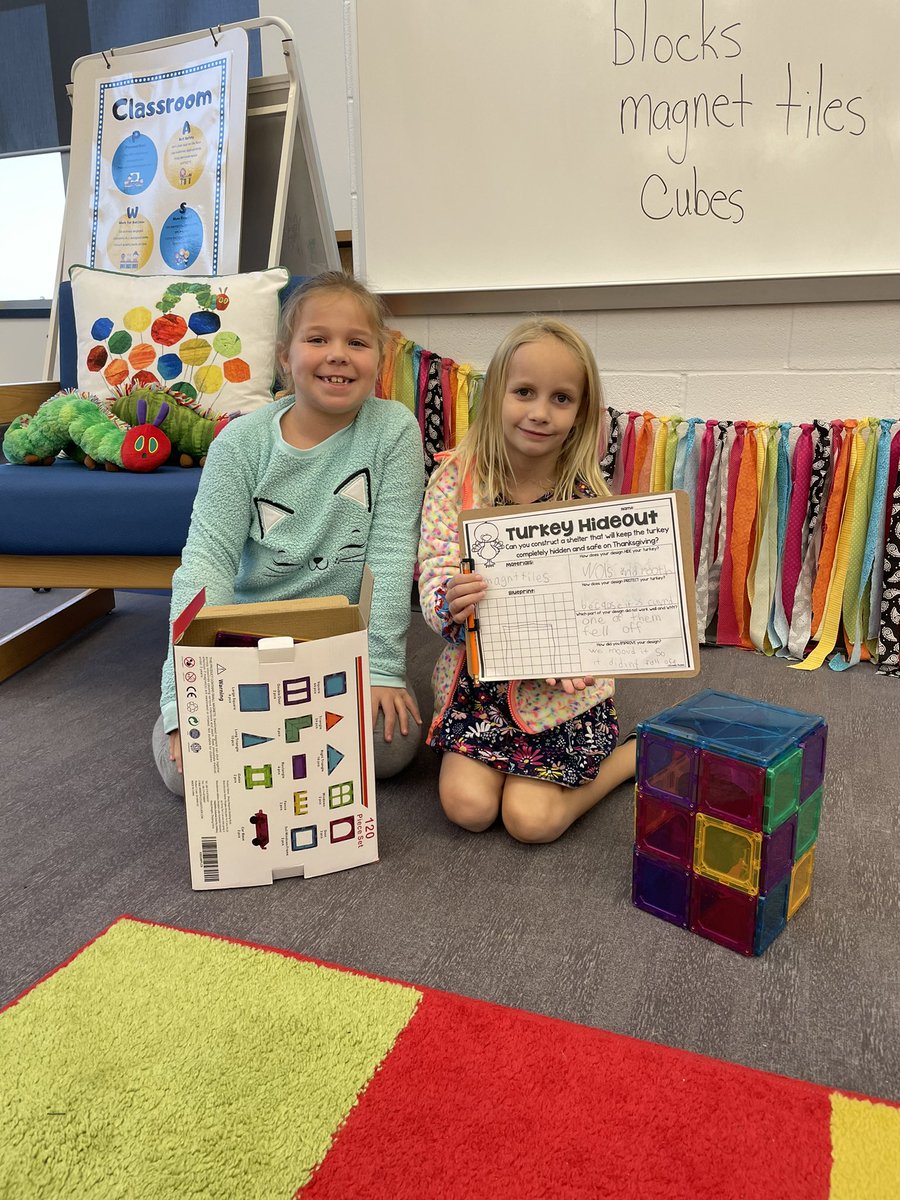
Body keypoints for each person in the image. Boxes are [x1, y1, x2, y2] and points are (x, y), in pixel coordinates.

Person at [153, 271, 425, 794]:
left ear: (380, 360)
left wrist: (386, 669)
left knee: (392, 750)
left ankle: (272, 744)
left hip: (338, 645)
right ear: (285, 358)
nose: (338, 354)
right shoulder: (241, 442)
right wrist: (180, 700)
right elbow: (205, 565)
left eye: (357, 342)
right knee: (183, 774)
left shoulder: (394, 430)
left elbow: (390, 557)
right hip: (247, 642)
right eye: (318, 339)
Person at [417, 318, 637, 843]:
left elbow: (605, 605)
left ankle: (630, 758)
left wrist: (590, 648)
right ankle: (503, 769)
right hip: (480, 683)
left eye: (561, 398)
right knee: (468, 808)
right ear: (495, 395)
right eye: (524, 392)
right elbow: (434, 572)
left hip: (561, 693)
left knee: (531, 822)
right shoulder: (456, 478)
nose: (539, 412)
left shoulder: (589, 498)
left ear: (581, 413)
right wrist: (449, 603)